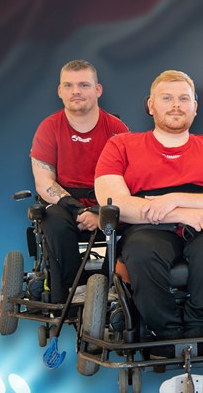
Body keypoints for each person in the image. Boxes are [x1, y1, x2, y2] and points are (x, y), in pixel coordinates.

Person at [95, 70, 203, 355]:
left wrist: (174, 200)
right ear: (150, 105)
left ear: (195, 106)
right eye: (166, 98)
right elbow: (113, 202)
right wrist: (180, 214)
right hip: (148, 227)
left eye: (183, 98)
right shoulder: (121, 145)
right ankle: (161, 330)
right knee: (141, 251)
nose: (176, 105)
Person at [30, 59, 129, 303]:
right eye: (69, 85)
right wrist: (77, 209)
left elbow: (129, 179)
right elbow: (44, 182)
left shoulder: (117, 129)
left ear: (98, 90)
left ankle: (110, 286)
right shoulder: (49, 127)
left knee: (132, 222)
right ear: (60, 91)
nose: (76, 91)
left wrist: (98, 213)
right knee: (54, 222)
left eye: (84, 85)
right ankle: (70, 290)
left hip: (105, 201)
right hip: (64, 203)